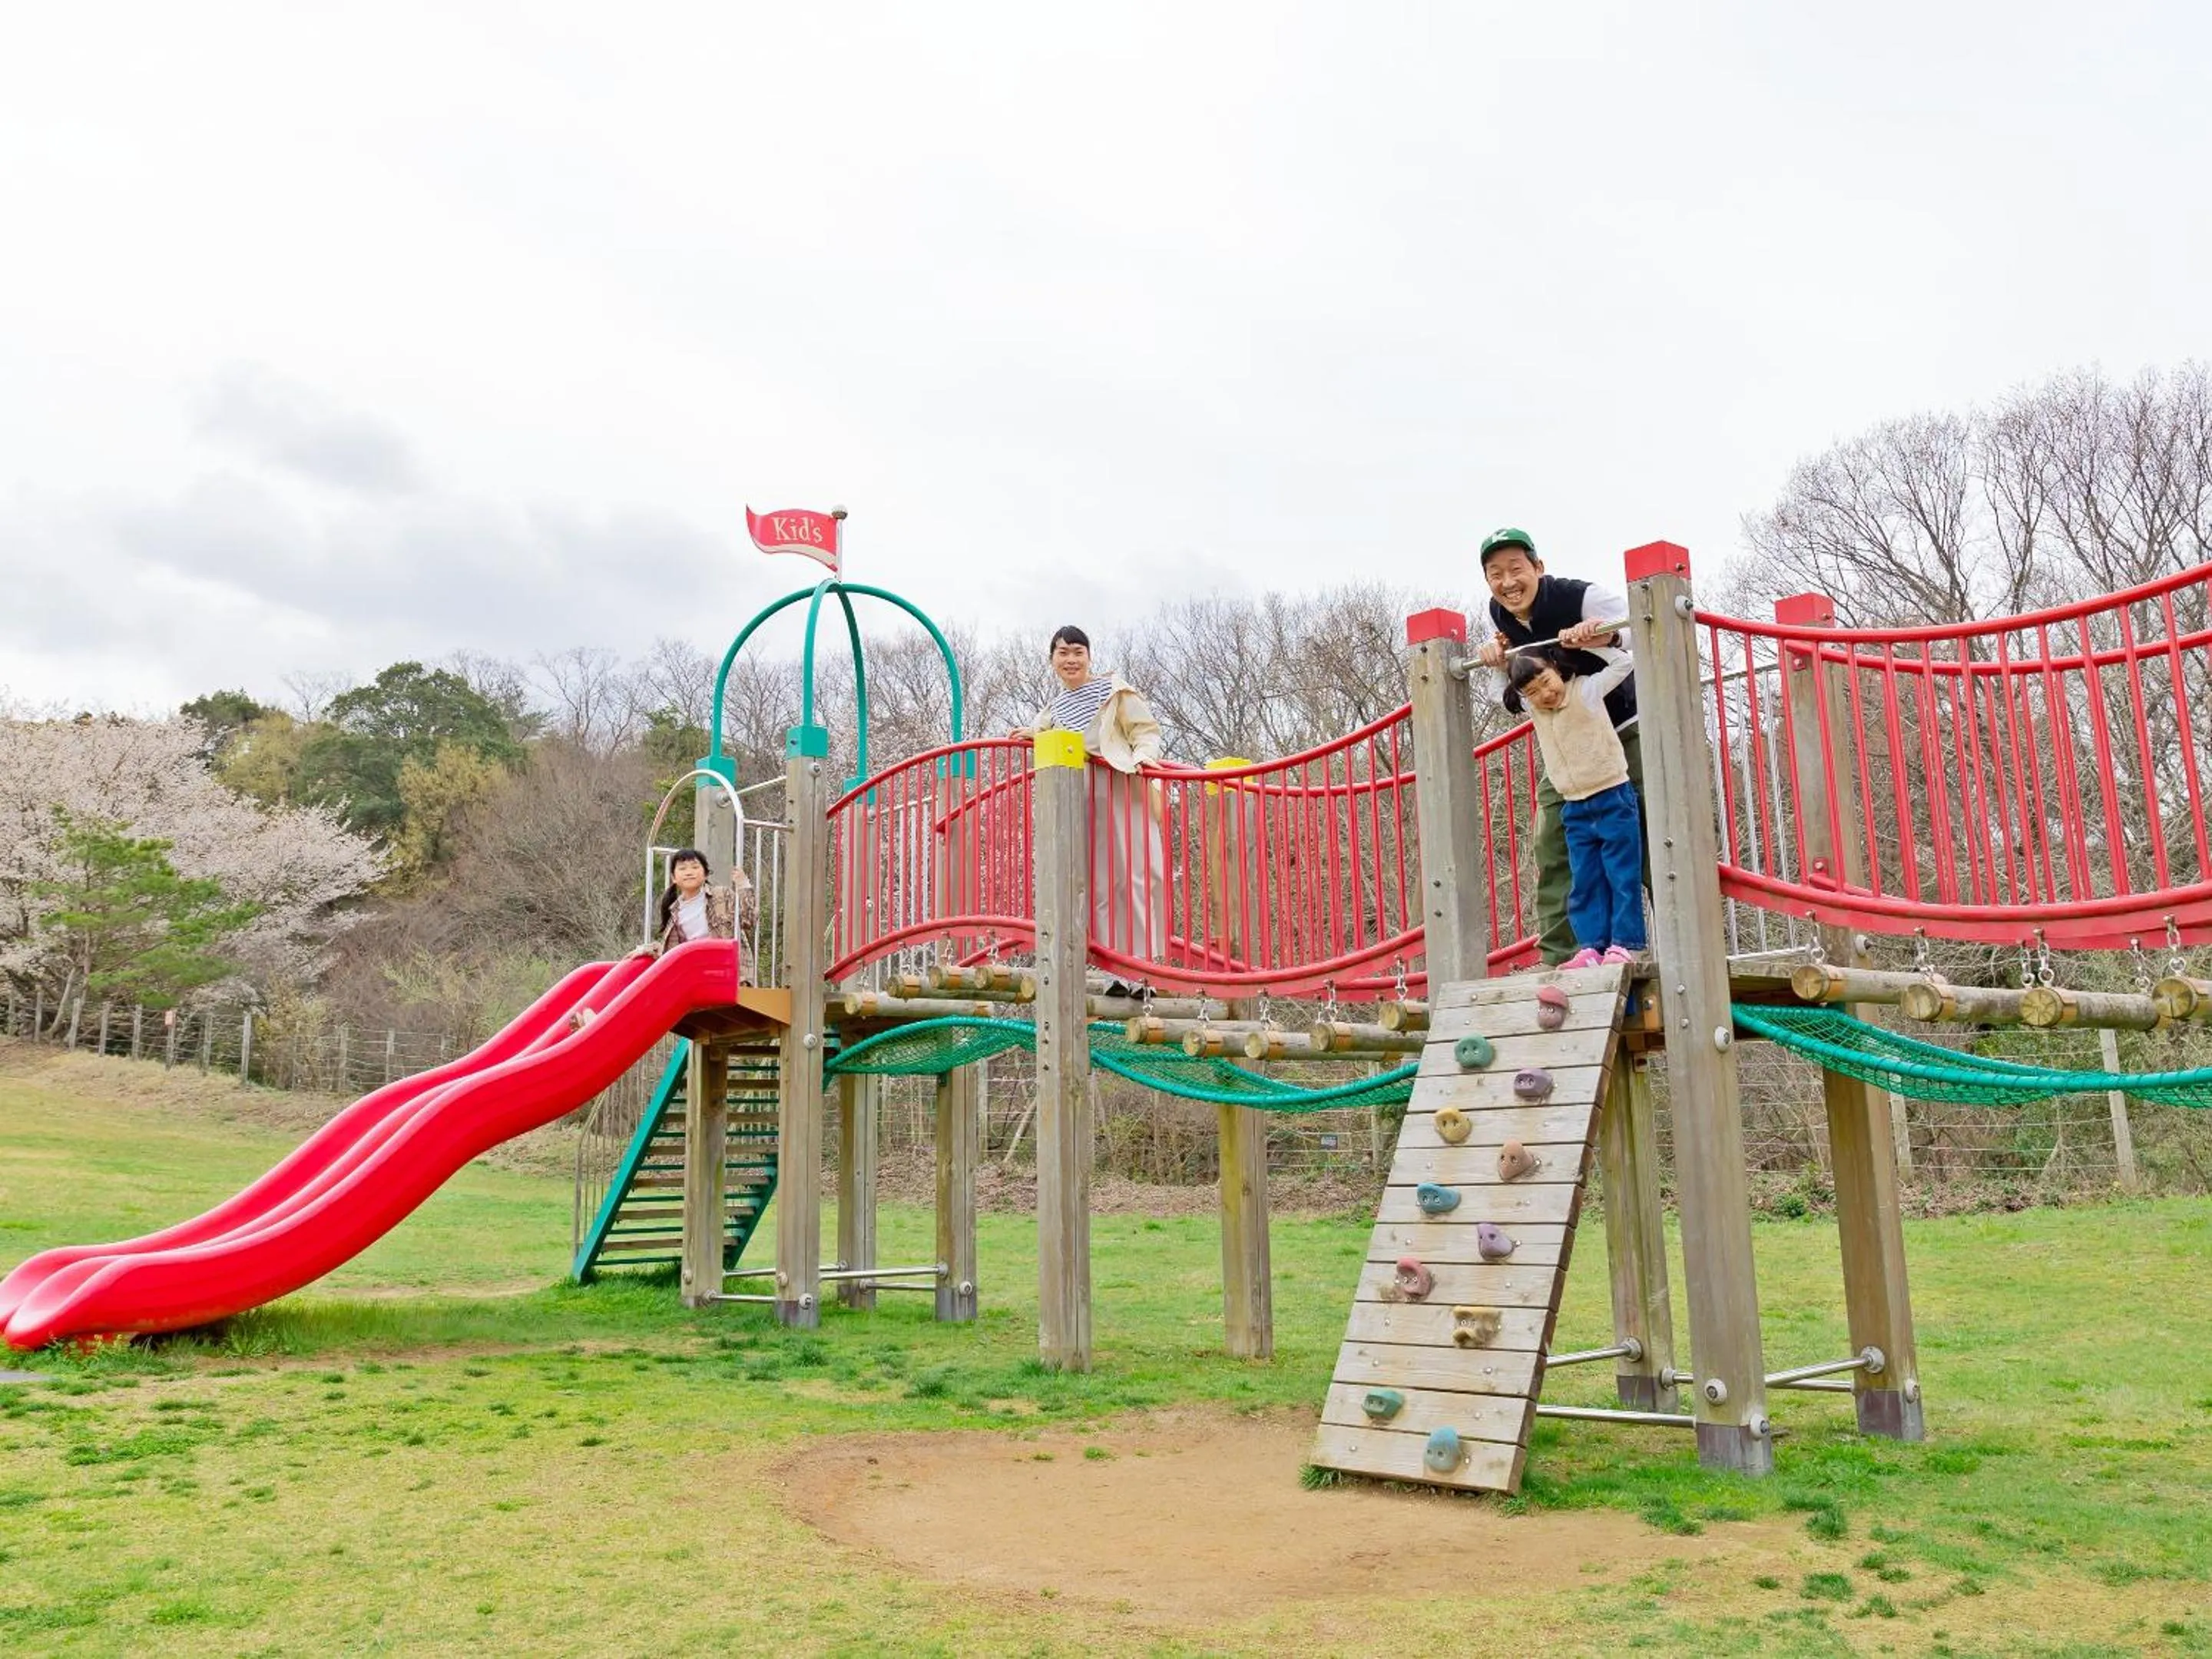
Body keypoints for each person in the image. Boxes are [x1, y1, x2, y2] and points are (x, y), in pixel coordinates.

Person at [1472, 527, 1647, 967]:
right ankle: (1566, 956)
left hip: (1623, 725)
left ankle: (1654, 946)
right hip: (1569, 748)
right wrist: (1495, 658)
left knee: (1642, 833)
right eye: (1496, 574)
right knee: (1553, 843)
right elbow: (1514, 687)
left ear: (1539, 567)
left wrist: (1604, 636)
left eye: (1516, 569)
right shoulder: (1501, 616)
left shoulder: (1582, 598)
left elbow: (1647, 629)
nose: (1507, 582)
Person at [1010, 624, 1167, 977]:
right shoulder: (1055, 706)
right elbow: (1050, 732)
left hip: (1120, 788)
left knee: (1133, 874)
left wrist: (1143, 755)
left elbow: (1144, 730)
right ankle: (1109, 967)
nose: (1071, 659)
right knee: (1094, 880)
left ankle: (1141, 969)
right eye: (1063, 653)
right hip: (1081, 796)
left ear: (1089, 657)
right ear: (1052, 661)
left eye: (1078, 652)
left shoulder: (1113, 691)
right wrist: (1031, 735)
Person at [1505, 646, 1647, 968]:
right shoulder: (1536, 709)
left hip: (1612, 796)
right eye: (1532, 691)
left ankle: (1624, 944)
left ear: (1556, 668)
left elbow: (1624, 662)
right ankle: (1591, 948)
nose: (1545, 693)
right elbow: (1495, 692)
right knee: (1584, 880)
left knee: (1621, 875)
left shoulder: (1586, 689)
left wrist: (1587, 642)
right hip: (1575, 806)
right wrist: (1499, 659)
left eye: (1546, 680)